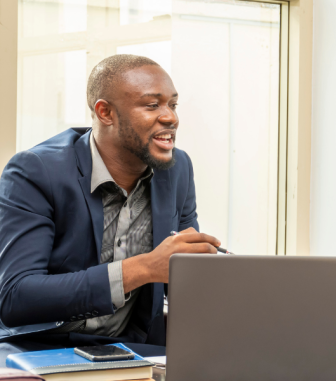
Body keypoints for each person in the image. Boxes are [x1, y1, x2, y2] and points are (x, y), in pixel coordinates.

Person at [0, 54, 221, 350]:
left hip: (134, 352)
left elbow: (181, 276)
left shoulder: (177, 169)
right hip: (40, 348)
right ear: (106, 113)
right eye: (152, 105)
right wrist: (143, 268)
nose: (171, 117)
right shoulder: (37, 170)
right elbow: (16, 297)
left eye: (173, 104)